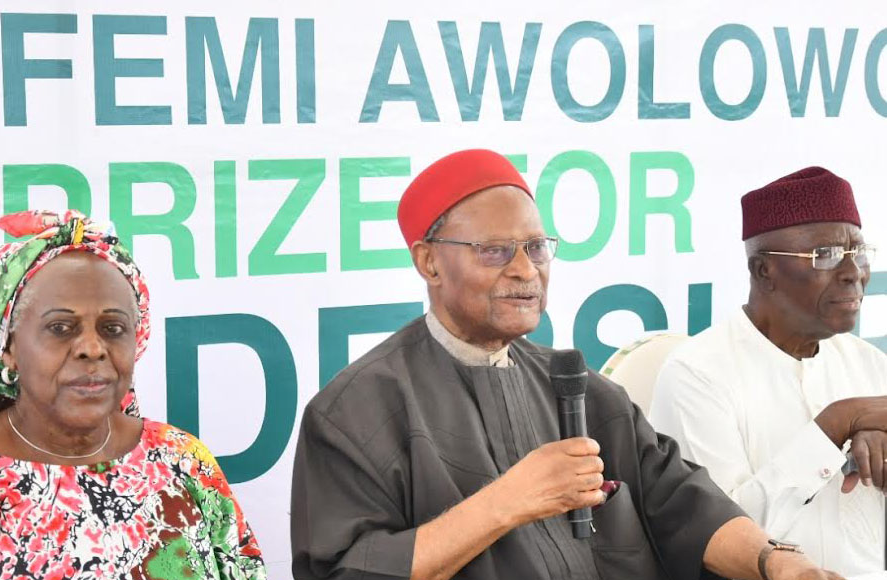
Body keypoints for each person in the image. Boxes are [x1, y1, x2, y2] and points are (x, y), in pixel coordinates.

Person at [290, 149, 842, 580]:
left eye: (536, 247)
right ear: (429, 262)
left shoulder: (582, 390)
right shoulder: (354, 412)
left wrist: (776, 563)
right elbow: (344, 570)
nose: (525, 270)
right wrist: (505, 504)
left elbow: (685, 506)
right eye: (494, 251)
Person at [0, 210, 267, 580]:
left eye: (113, 328)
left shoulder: (181, 460)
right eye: (60, 327)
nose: (92, 348)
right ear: (7, 347)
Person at [650, 167, 886, 575]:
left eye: (859, 253)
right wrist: (836, 423)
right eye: (826, 255)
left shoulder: (869, 363)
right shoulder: (697, 374)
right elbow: (719, 538)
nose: (853, 272)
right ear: (763, 271)